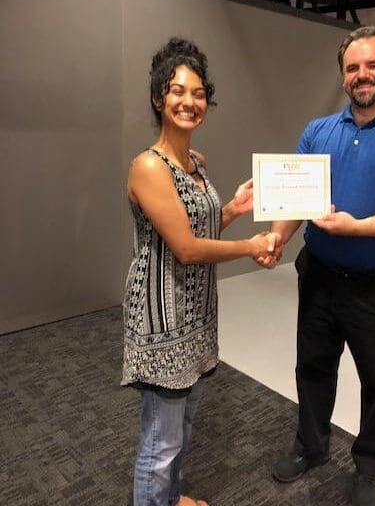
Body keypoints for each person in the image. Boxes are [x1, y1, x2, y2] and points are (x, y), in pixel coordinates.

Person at [259, 26, 375, 506]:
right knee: (313, 367)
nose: (362, 75)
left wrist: (357, 226)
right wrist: (277, 237)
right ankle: (311, 446)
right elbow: (296, 202)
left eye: (373, 65)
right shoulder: (317, 131)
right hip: (320, 276)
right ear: (343, 76)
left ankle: (369, 465)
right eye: (352, 67)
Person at [121, 37, 277, 506]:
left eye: (198, 93)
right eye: (177, 91)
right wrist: (250, 246)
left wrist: (233, 207)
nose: (189, 102)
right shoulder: (149, 167)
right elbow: (186, 249)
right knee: (160, 442)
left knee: (185, 425)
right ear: (158, 98)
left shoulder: (196, 163)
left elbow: (198, 225)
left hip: (195, 315)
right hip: (162, 321)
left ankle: (170, 500)